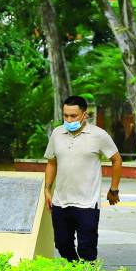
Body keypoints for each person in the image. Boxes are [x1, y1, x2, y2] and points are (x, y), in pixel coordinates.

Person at [44, 95, 123, 262]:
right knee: (62, 244)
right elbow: (51, 162)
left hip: (87, 203)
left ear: (84, 115)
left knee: (87, 248)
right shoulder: (57, 133)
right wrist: (47, 189)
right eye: (65, 115)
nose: (68, 120)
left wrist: (114, 189)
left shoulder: (99, 135)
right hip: (60, 201)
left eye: (73, 116)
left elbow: (116, 159)